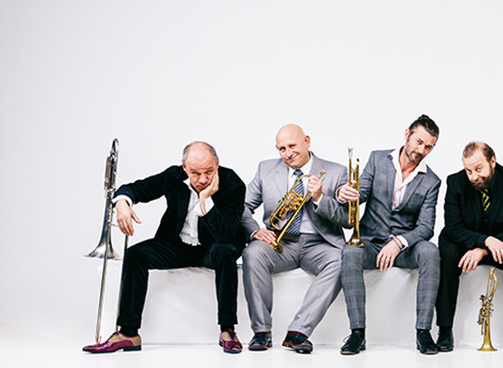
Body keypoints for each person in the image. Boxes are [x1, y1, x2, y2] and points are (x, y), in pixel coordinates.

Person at [83, 142, 246, 354]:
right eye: (195, 173)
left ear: (217, 164)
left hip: (214, 246)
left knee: (224, 253)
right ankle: (129, 333)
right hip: (179, 245)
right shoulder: (175, 176)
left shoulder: (233, 183)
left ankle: (228, 330)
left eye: (209, 171)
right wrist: (122, 203)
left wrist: (206, 200)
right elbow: (137, 188)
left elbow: (225, 234)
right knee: (136, 255)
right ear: (184, 168)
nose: (203, 179)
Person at [335, 115, 442, 355]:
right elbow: (360, 193)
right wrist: (344, 193)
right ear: (407, 134)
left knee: (430, 251)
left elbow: (426, 227)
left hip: (404, 248)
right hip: (371, 242)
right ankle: (357, 333)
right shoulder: (377, 159)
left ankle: (423, 332)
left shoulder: (432, 181)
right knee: (350, 252)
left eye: (428, 147)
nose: (421, 150)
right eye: (418, 142)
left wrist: (398, 243)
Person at [240, 124, 349, 354]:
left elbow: (348, 219)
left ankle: (298, 332)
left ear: (307, 141)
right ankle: (261, 332)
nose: (287, 154)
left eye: (292, 146)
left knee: (342, 260)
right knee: (252, 253)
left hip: (320, 243)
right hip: (280, 242)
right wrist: (255, 231)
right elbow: (243, 207)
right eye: (281, 149)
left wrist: (320, 197)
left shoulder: (336, 171)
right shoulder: (265, 169)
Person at [436, 142, 503, 352]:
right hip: (466, 244)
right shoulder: (455, 183)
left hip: (502, 246)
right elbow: (452, 228)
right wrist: (484, 240)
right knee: (447, 251)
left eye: (478, 169)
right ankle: (445, 330)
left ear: (493, 161)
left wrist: (483, 248)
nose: (473, 177)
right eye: (468, 170)